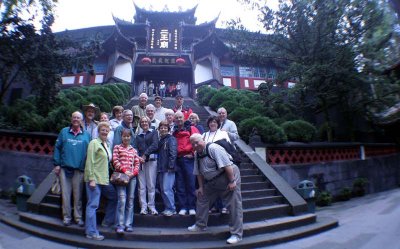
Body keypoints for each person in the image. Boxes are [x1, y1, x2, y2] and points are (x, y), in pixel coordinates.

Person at [188, 133, 243, 245]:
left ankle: (236, 234)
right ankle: (200, 225)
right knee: (202, 198)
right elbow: (198, 172)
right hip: (212, 181)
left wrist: (232, 181)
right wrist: (201, 187)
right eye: (193, 143)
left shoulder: (213, 148)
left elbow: (227, 165)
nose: (195, 145)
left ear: (202, 139)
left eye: (197, 142)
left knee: (234, 205)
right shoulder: (196, 154)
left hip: (228, 176)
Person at [53, 111, 90, 227]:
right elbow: (57, 148)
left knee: (78, 196)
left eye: (78, 118)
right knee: (65, 195)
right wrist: (57, 164)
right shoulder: (64, 132)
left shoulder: (86, 135)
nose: (76, 119)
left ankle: (78, 218)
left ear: (81, 120)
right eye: (74, 117)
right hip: (64, 169)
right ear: (71, 119)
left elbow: (89, 152)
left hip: (79, 170)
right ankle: (67, 217)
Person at [84, 122, 117, 241]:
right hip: (95, 179)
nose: (105, 132)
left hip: (104, 179)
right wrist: (91, 178)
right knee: (93, 205)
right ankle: (91, 232)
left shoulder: (107, 144)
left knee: (114, 196)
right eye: (102, 130)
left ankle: (107, 221)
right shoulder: (94, 143)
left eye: (106, 130)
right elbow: (90, 161)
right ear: (99, 131)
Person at [113, 129, 140, 234]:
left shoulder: (134, 150)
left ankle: (128, 224)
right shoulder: (117, 147)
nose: (126, 138)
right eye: (124, 136)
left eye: (128, 136)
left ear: (131, 137)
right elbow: (115, 161)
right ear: (121, 137)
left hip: (132, 178)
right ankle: (120, 225)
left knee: (130, 200)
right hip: (121, 177)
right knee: (122, 200)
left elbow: (137, 163)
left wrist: (133, 173)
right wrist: (125, 171)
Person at [203, 116, 231, 214]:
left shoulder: (223, 133)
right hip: (209, 164)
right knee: (212, 185)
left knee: (222, 184)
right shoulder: (204, 135)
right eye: (211, 122)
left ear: (218, 123)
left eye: (214, 122)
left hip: (221, 162)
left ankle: (224, 206)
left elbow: (228, 146)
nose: (212, 123)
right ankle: (214, 205)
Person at [173, 111, 200, 216]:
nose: (179, 119)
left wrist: (193, 154)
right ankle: (183, 206)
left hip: (188, 159)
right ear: (174, 120)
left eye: (180, 117)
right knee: (180, 184)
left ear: (184, 118)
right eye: (177, 118)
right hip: (178, 159)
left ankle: (192, 206)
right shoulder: (174, 131)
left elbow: (198, 141)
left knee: (190, 183)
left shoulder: (191, 128)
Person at [135, 116, 159, 215]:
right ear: (140, 124)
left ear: (149, 123)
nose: (144, 123)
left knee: (151, 185)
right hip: (141, 162)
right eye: (142, 122)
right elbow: (135, 147)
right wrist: (139, 157)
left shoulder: (154, 132)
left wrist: (145, 155)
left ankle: (152, 206)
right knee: (141, 186)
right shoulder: (138, 136)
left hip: (151, 161)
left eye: (146, 121)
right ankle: (143, 207)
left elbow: (155, 145)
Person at [157, 121, 177, 216]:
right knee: (163, 189)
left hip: (168, 168)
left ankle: (172, 208)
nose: (163, 129)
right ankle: (167, 207)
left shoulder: (171, 139)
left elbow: (173, 153)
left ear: (168, 129)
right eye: (161, 127)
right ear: (159, 129)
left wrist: (171, 166)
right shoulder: (161, 140)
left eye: (165, 127)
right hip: (161, 168)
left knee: (167, 189)